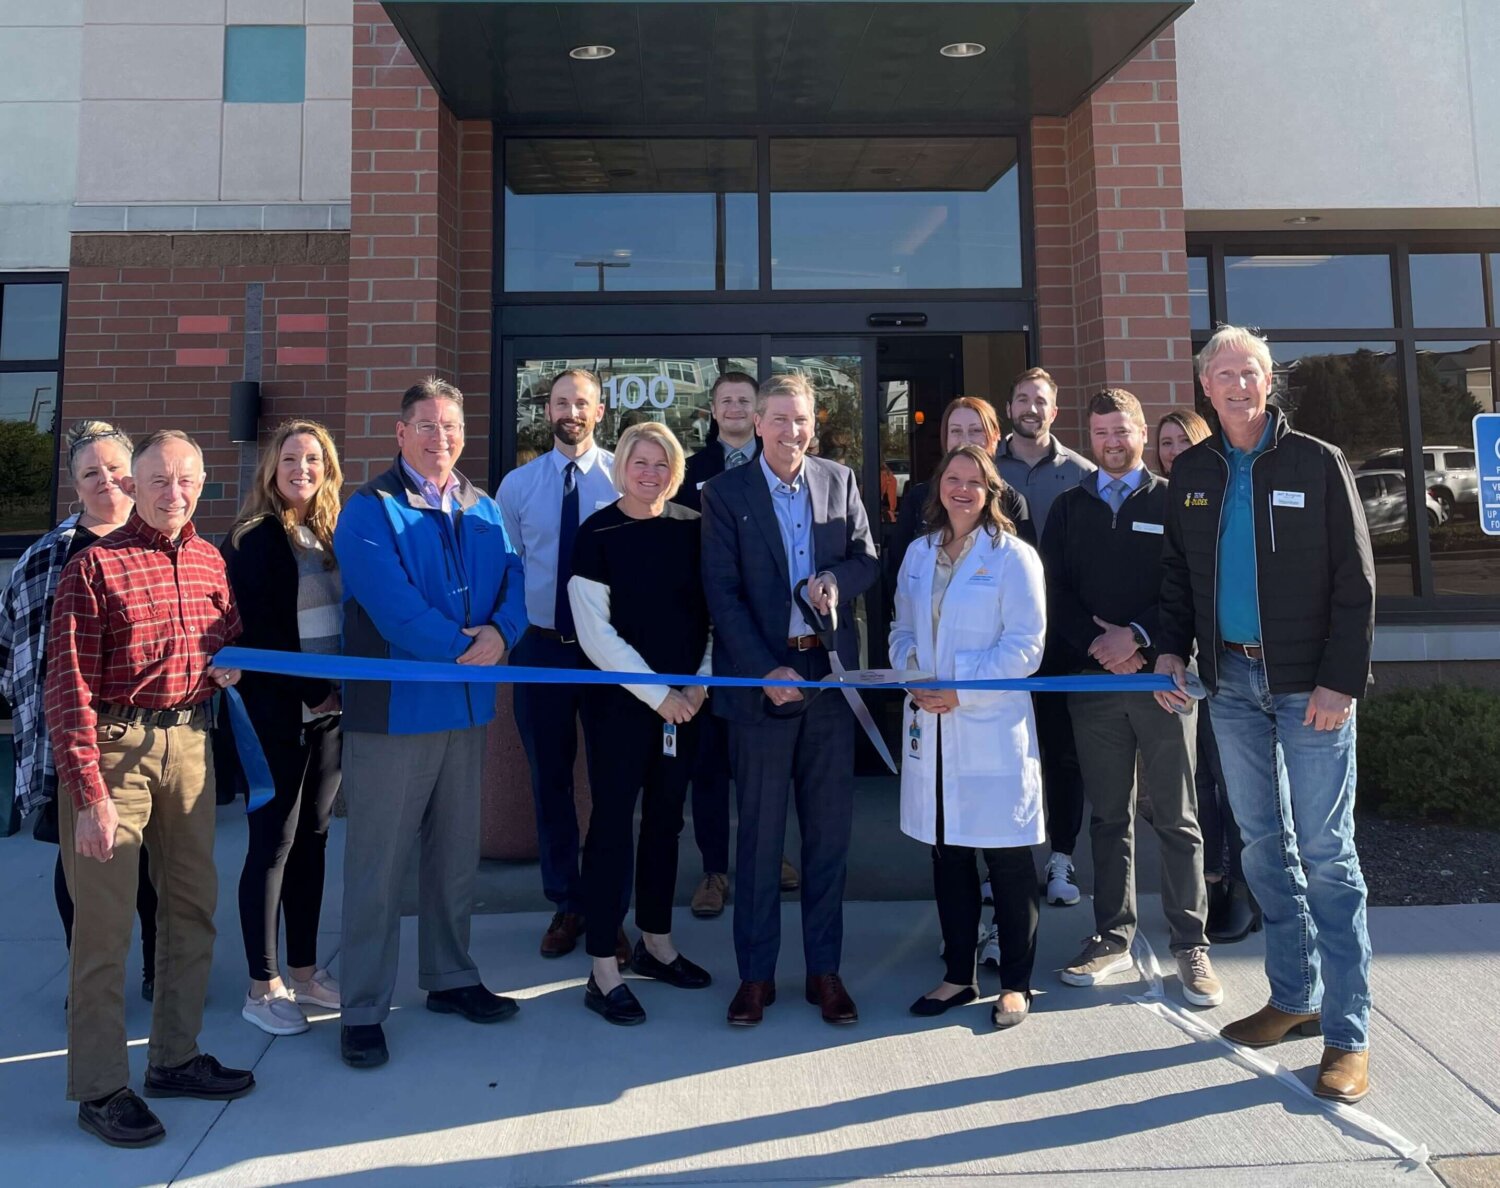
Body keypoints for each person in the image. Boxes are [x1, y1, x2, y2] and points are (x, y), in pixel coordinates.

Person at [1154, 326, 1376, 1103]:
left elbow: (1356, 578)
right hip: (1231, 687)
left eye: (1250, 372)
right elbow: (1179, 577)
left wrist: (1338, 683)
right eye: (1224, 375)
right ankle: (1293, 998)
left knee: (1326, 853)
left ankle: (1348, 1035)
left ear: (1268, 379)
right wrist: (1170, 653)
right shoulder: (1194, 471)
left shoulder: (1316, 461)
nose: (1239, 385)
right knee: (1260, 846)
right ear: (1205, 389)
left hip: (1308, 687)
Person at [44, 429, 251, 1148]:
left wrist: (229, 663)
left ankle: (175, 1056)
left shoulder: (207, 559)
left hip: (191, 744)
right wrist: (90, 794)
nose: (174, 492)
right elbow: (66, 689)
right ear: (135, 484)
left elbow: (227, 632)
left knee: (192, 909)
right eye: (158, 480)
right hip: (113, 749)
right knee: (103, 929)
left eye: (186, 479)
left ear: (202, 482)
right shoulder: (94, 567)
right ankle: (100, 1088)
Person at [335, 377, 528, 1070]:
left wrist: (502, 635)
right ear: (400, 432)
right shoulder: (369, 508)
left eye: (450, 426)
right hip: (395, 713)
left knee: (453, 858)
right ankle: (361, 1009)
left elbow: (514, 580)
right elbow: (392, 608)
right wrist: (465, 649)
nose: (439, 437)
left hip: (468, 708)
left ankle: (450, 978)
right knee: (377, 867)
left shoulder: (484, 506)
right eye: (425, 425)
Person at [701, 373, 879, 1027]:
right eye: (778, 420)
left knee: (828, 837)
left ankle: (823, 973)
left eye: (800, 420)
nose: (790, 432)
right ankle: (755, 977)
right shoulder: (725, 493)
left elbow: (868, 558)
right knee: (760, 840)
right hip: (763, 682)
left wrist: (835, 577)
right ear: (757, 423)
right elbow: (721, 591)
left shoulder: (840, 481)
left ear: (814, 421)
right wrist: (763, 667)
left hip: (828, 681)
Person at [1041, 390, 1221, 1008]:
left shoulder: (1174, 500)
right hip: (1094, 685)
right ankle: (1112, 934)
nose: (1112, 443)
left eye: (1122, 431)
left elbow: (1193, 583)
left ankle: (1190, 943)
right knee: (1109, 816)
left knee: (1177, 816)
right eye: (1101, 434)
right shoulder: (1068, 507)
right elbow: (1054, 589)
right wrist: (1099, 644)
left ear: (1142, 432)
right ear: (1088, 438)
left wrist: (1139, 637)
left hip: (1163, 680)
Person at [0, 421, 159, 1006]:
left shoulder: (165, 545)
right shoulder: (46, 559)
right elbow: (9, 644)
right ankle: (87, 978)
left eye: (117, 469)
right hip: (74, 737)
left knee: (151, 866)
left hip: (149, 735)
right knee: (80, 863)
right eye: (92, 473)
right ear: (75, 487)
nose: (108, 482)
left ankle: (155, 968)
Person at [891, 446, 1046, 1030]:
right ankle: (959, 975)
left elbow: (1025, 648)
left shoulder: (1014, 559)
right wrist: (914, 673)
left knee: (1006, 860)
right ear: (938, 487)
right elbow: (900, 629)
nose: (962, 490)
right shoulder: (917, 554)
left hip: (988, 727)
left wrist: (959, 691)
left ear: (992, 491)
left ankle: (1015, 983)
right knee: (947, 853)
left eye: (974, 482)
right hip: (930, 724)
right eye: (952, 479)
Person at [568, 422, 715, 1024]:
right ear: (621, 466)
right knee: (611, 827)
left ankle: (656, 942)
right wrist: (659, 696)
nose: (650, 473)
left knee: (664, 823)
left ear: (675, 472)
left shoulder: (695, 528)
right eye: (640, 462)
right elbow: (596, 633)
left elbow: (716, 611)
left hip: (688, 703)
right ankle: (603, 966)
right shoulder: (595, 533)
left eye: (662, 464)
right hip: (622, 707)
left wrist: (700, 682)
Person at [498, 369, 631, 962]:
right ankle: (566, 903)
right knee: (549, 781)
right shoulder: (518, 487)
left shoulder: (623, 480)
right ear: (546, 411)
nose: (570, 412)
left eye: (581, 403)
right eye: (560, 402)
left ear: (600, 412)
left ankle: (609, 911)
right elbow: (508, 571)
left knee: (613, 785)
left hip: (610, 652)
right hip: (543, 648)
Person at [222, 420, 346, 1037]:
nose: (303, 468)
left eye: (314, 459)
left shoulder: (324, 533)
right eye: (291, 458)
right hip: (278, 717)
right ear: (271, 466)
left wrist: (332, 697)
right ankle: (260, 984)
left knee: (314, 841)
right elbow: (266, 635)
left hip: (325, 718)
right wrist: (318, 691)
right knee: (272, 843)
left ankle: (304, 971)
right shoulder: (256, 537)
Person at [672, 372, 800, 916]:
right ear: (713, 410)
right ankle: (715, 870)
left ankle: (765, 854)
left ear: (757, 412)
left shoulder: (776, 468)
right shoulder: (691, 472)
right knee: (709, 764)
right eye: (724, 400)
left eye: (743, 401)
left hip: (769, 644)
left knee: (765, 764)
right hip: (707, 638)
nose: (734, 408)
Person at [1157, 409, 1259, 944]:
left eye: (1182, 441)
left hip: (1230, 664)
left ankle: (1246, 889)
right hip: (1184, 664)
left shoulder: (1224, 497)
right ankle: (1214, 882)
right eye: (1164, 442)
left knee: (1232, 782)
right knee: (1200, 784)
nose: (1171, 451)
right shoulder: (1167, 499)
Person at [996, 368, 1096, 910]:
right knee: (1004, 753)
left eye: (1040, 400)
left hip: (1062, 642)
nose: (1030, 407)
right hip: (1000, 642)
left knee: (1062, 755)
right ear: (1009, 406)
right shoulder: (986, 469)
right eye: (1021, 398)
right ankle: (1004, 860)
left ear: (1054, 411)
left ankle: (1061, 857)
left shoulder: (1081, 473)